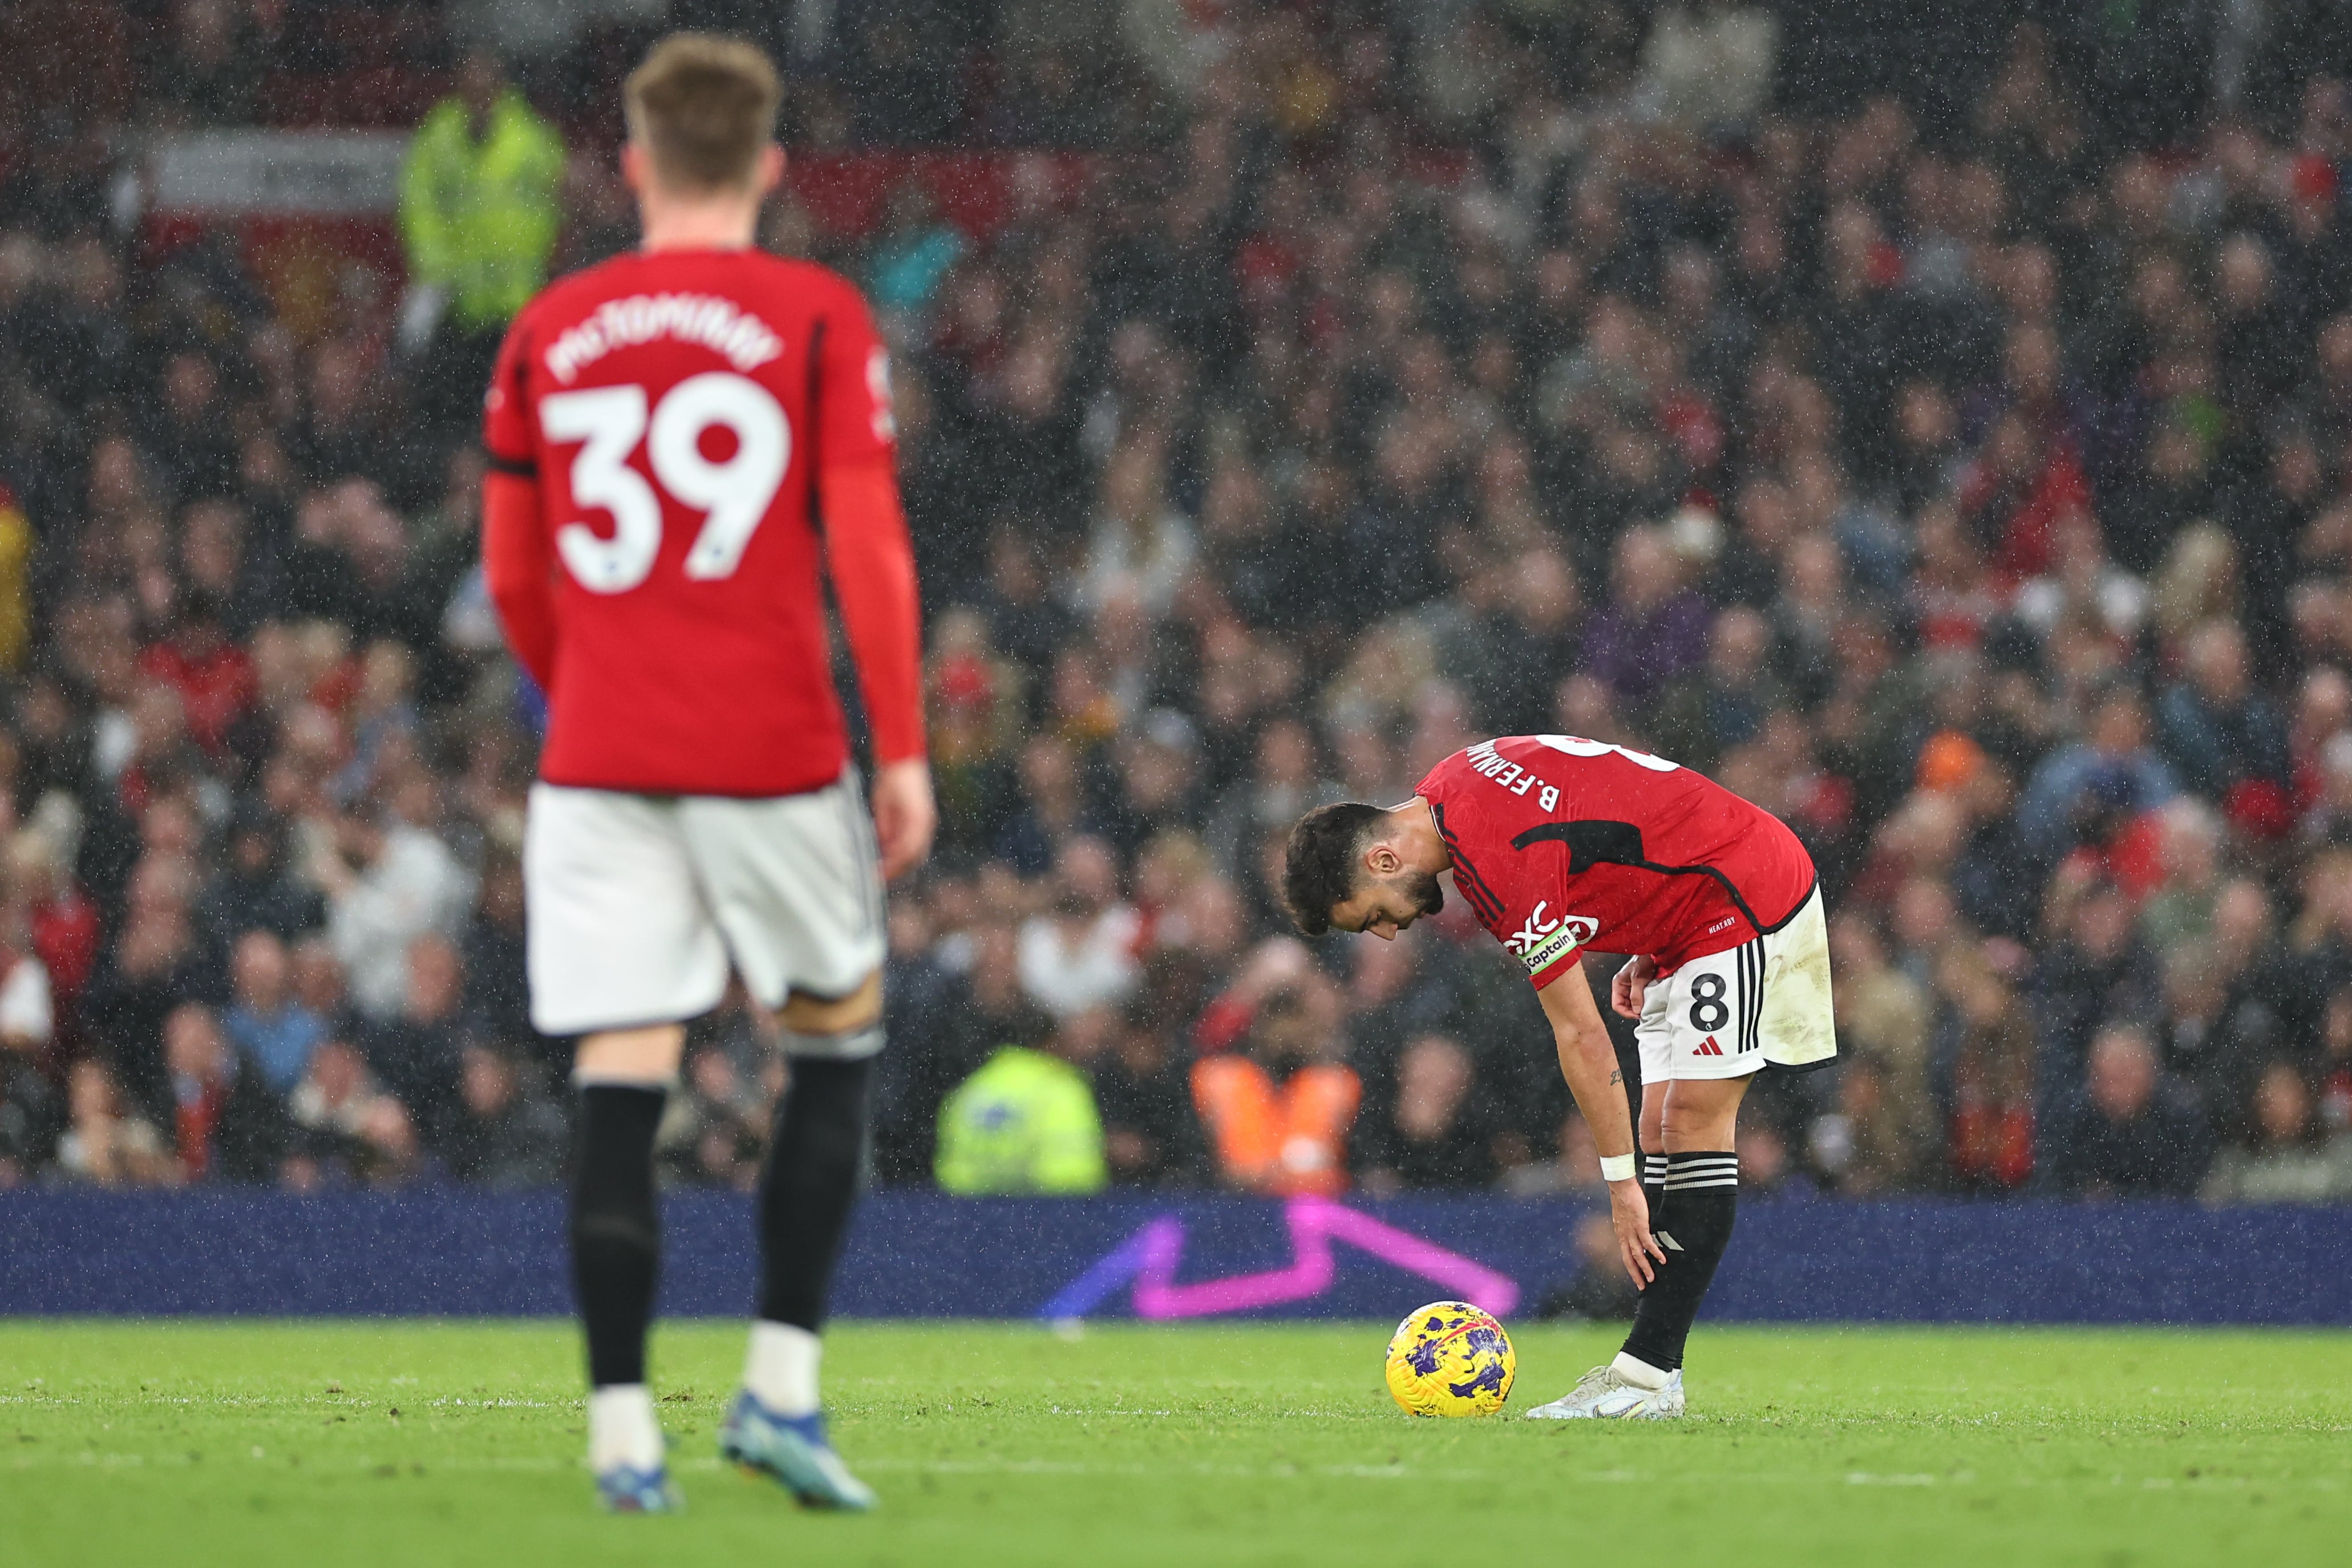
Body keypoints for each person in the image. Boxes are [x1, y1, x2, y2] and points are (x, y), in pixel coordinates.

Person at [479, 34, 930, 1513]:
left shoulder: (549, 327)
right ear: (769, 167)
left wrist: (591, 690)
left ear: (632, 162)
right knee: (829, 1049)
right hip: (771, 756)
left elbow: (513, 573)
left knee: (619, 1086)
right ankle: (780, 1391)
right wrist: (905, 746)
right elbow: (864, 550)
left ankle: (621, 1430)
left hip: (600, 761)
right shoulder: (810, 316)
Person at [1284, 732, 1835, 1419]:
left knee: (1691, 1120)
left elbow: (1579, 1034)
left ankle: (1648, 1377)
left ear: (1383, 857)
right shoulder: (1457, 777)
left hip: (1741, 890)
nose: (1390, 932)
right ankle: (1649, 1370)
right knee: (1660, 1127)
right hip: (1692, 907)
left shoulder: (1493, 865)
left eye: (1372, 915)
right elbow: (1608, 801)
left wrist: (1618, 1185)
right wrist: (1647, 921)